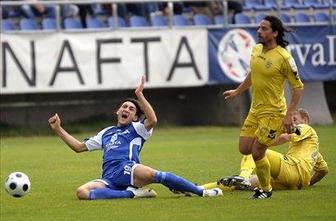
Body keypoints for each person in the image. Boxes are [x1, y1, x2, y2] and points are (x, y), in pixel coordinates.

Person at [48, 75, 222, 200]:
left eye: (131, 109)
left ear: (135, 117)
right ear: (117, 111)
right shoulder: (106, 132)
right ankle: (132, 193)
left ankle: (202, 192)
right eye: (124, 106)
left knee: (157, 175)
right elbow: (79, 147)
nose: (126, 110)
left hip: (129, 170)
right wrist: (58, 129)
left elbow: (153, 119)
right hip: (109, 178)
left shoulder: (137, 129)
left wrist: (140, 95)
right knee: (82, 193)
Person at [222, 15, 304, 199]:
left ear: (274, 33)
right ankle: (277, 136)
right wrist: (238, 91)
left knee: (257, 152)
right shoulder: (256, 49)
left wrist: (290, 114)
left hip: (274, 112)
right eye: (259, 27)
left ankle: (266, 190)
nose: (259, 31)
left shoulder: (284, 57)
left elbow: (298, 87)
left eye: (264, 28)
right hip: (255, 109)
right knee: (244, 148)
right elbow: (254, 72)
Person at [202, 108, 328, 192]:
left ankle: (243, 176)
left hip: (291, 170)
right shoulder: (314, 151)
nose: (291, 123)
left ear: (305, 120)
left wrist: (261, 144)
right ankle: (200, 189)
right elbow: (323, 170)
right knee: (245, 183)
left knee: (255, 151)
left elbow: (285, 136)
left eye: (294, 120)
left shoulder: (306, 128)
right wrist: (308, 183)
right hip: (293, 183)